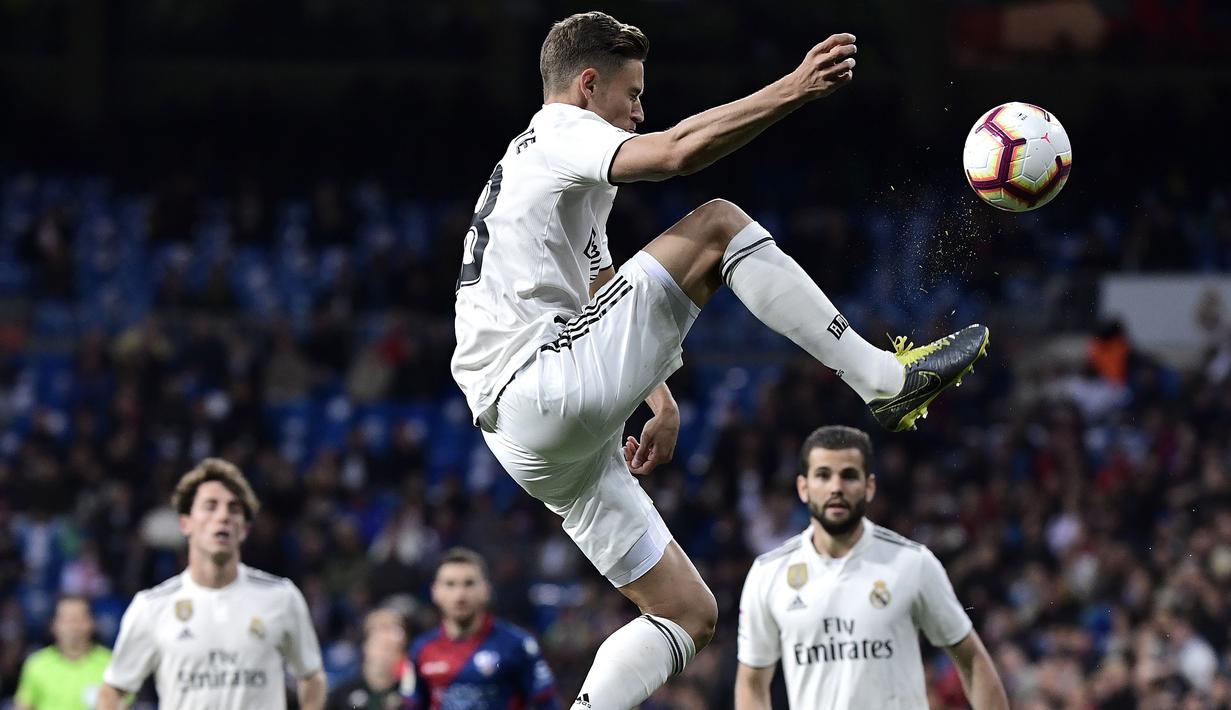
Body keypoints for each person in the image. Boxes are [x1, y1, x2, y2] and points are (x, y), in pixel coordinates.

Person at [449, 10, 989, 709]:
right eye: (632, 94)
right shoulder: (559, 131)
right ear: (586, 85)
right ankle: (883, 380)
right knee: (717, 225)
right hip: (537, 378)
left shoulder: (555, 169)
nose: (640, 113)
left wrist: (660, 397)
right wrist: (791, 89)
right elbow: (676, 152)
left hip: (525, 434)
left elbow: (596, 285)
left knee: (685, 614)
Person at [734, 425, 1008, 709]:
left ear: (869, 487)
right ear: (804, 488)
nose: (836, 487)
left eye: (849, 476)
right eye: (823, 475)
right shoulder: (768, 573)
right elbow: (751, 681)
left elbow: (973, 661)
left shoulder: (913, 563)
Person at [97, 458, 327, 709]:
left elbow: (311, 677)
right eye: (210, 506)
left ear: (244, 529)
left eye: (234, 509)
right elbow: (114, 690)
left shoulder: (281, 597)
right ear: (186, 523)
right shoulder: (152, 606)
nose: (223, 516)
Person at [406, 547, 558, 709]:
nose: (460, 595)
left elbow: (547, 704)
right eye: (450, 584)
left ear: (486, 590)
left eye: (469, 583)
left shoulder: (518, 645)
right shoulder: (421, 649)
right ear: (435, 592)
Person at [14, 595, 111, 710]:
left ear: (92, 623)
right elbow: (23, 706)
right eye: (66, 619)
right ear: (53, 625)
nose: (73, 626)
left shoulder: (110, 664)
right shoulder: (36, 664)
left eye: (79, 619)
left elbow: (123, 705)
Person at [326, 608, 411, 710]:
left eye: (393, 648)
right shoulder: (342, 694)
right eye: (383, 629)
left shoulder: (412, 695)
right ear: (365, 645)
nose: (390, 636)